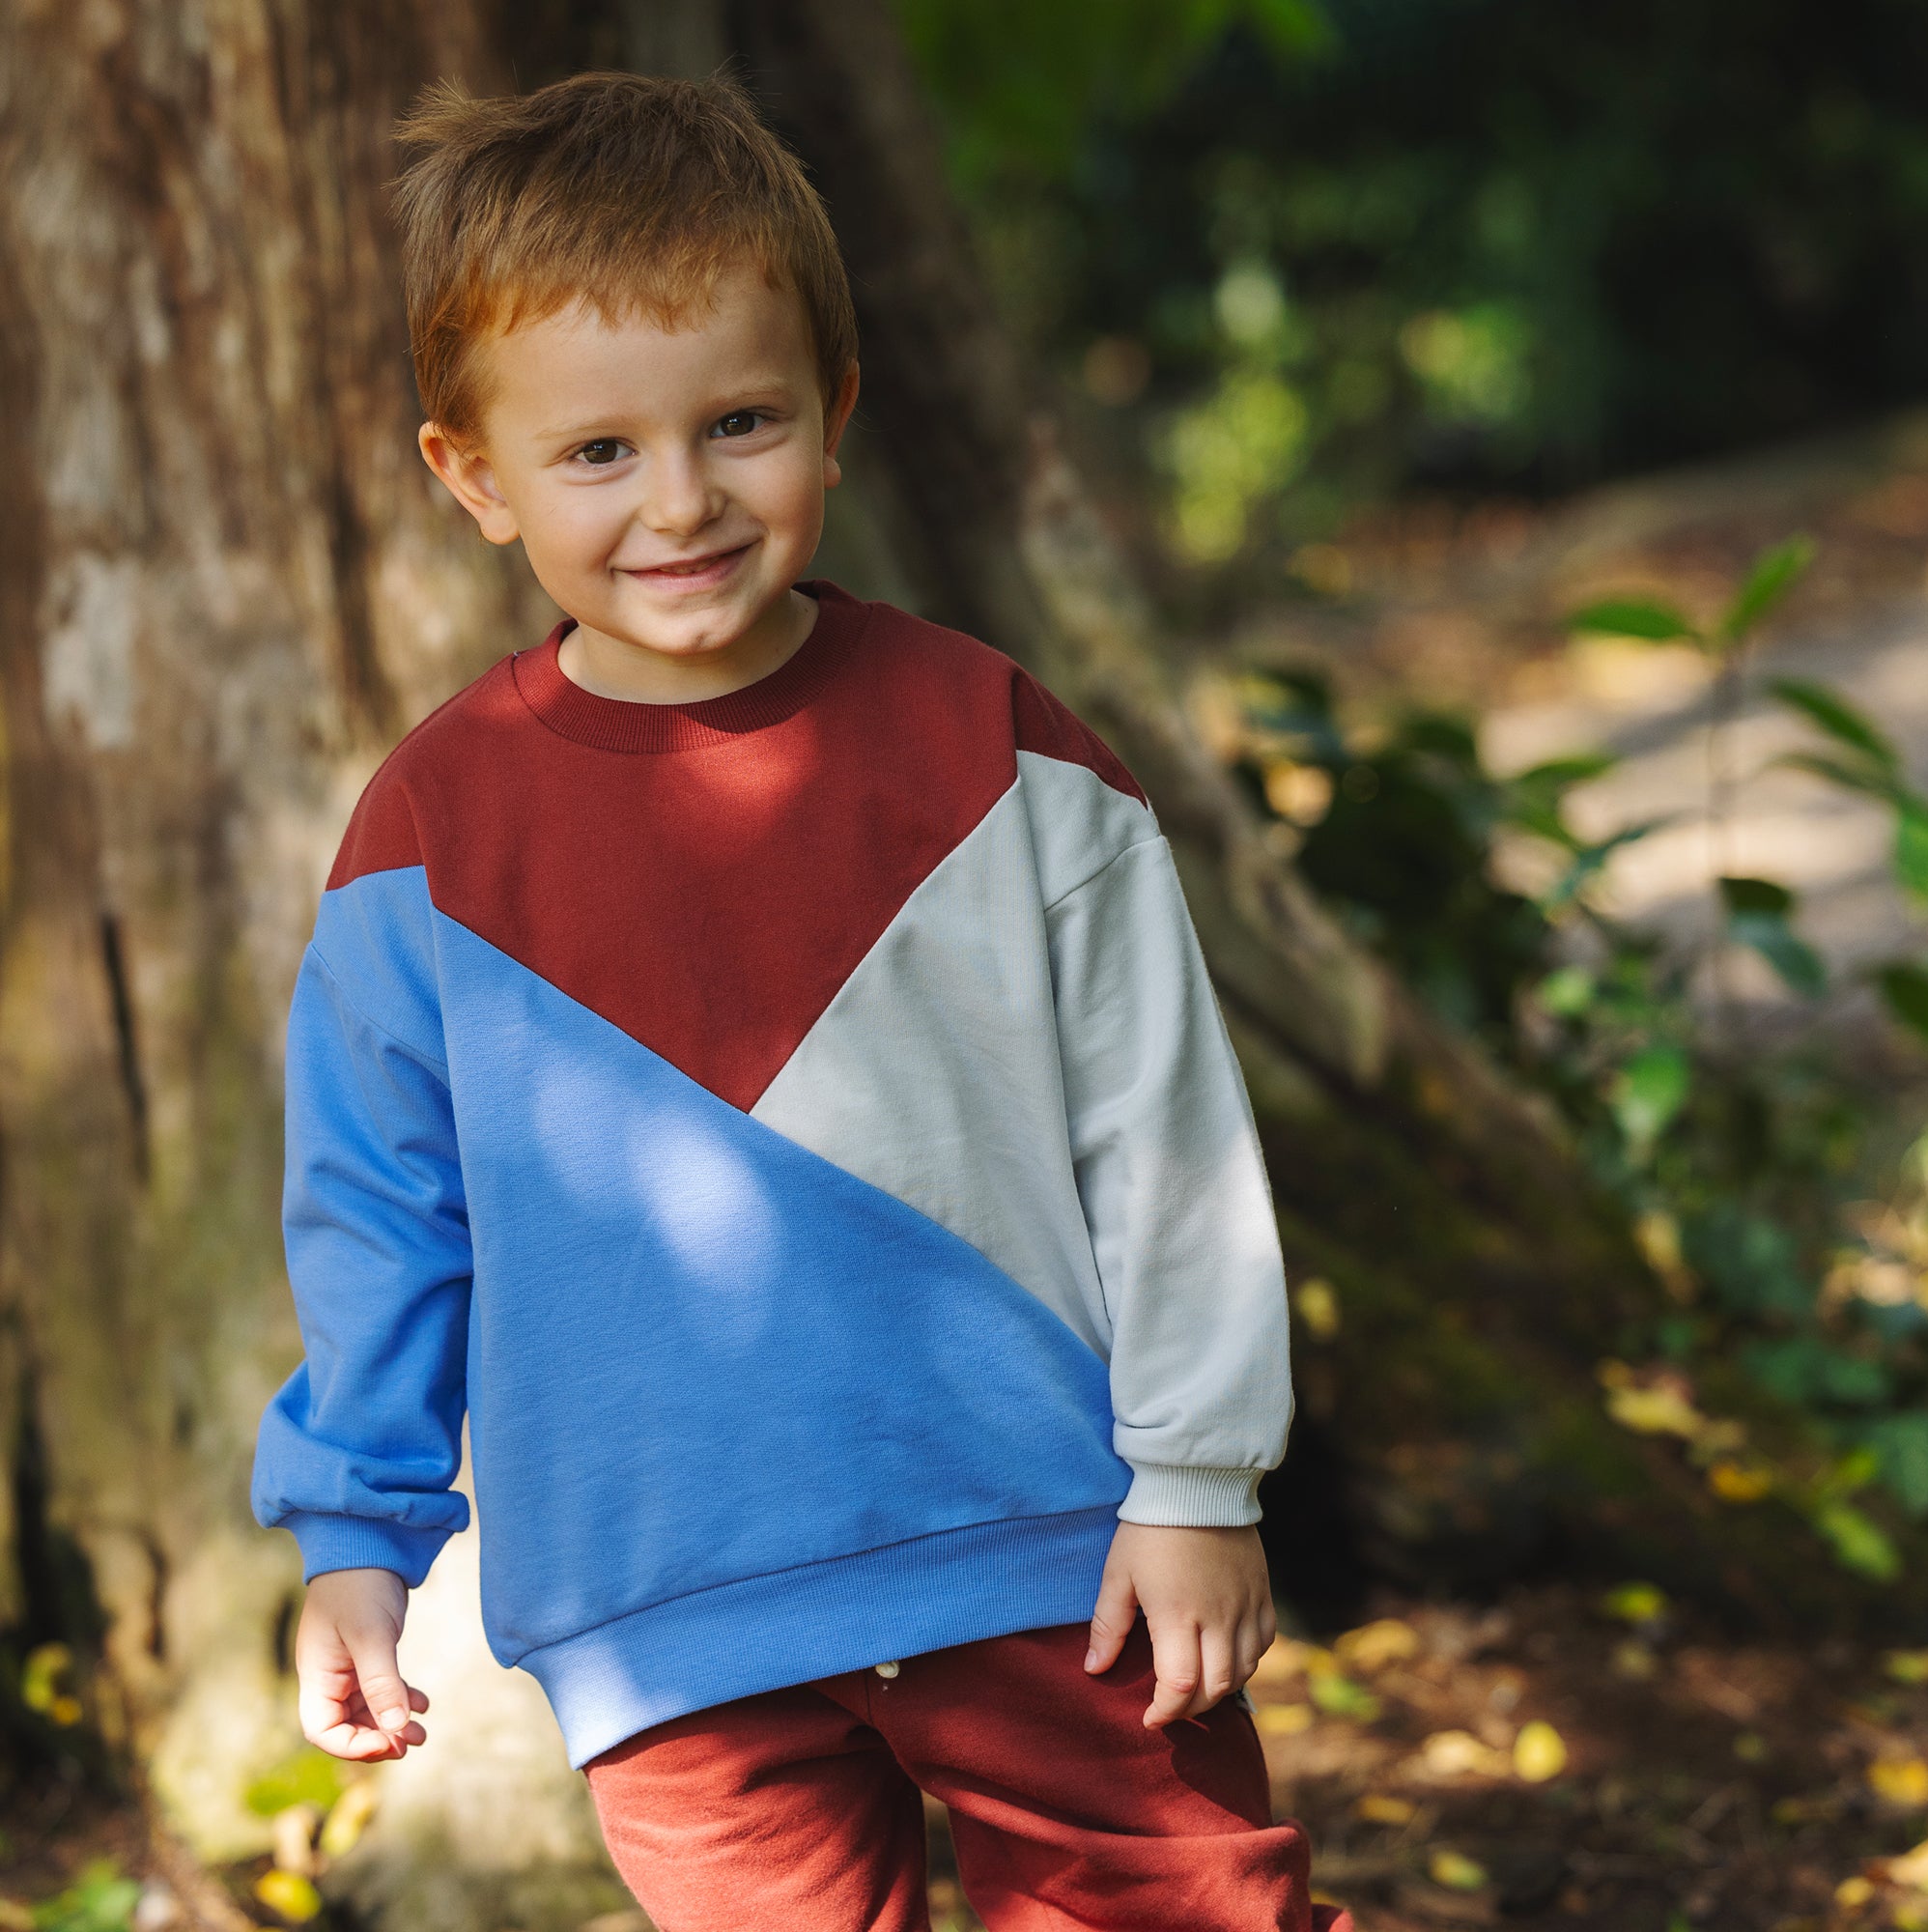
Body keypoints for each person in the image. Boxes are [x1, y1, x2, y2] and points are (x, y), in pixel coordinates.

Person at [251, 68, 1345, 1932]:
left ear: (834, 417)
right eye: (597, 452)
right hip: (665, 1612)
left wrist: (1197, 1478)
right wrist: (357, 1537)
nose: (680, 499)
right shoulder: (427, 839)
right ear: (474, 477)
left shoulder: (994, 750)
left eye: (739, 422)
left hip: (1053, 1555)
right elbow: (383, 1216)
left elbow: (1163, 1134)